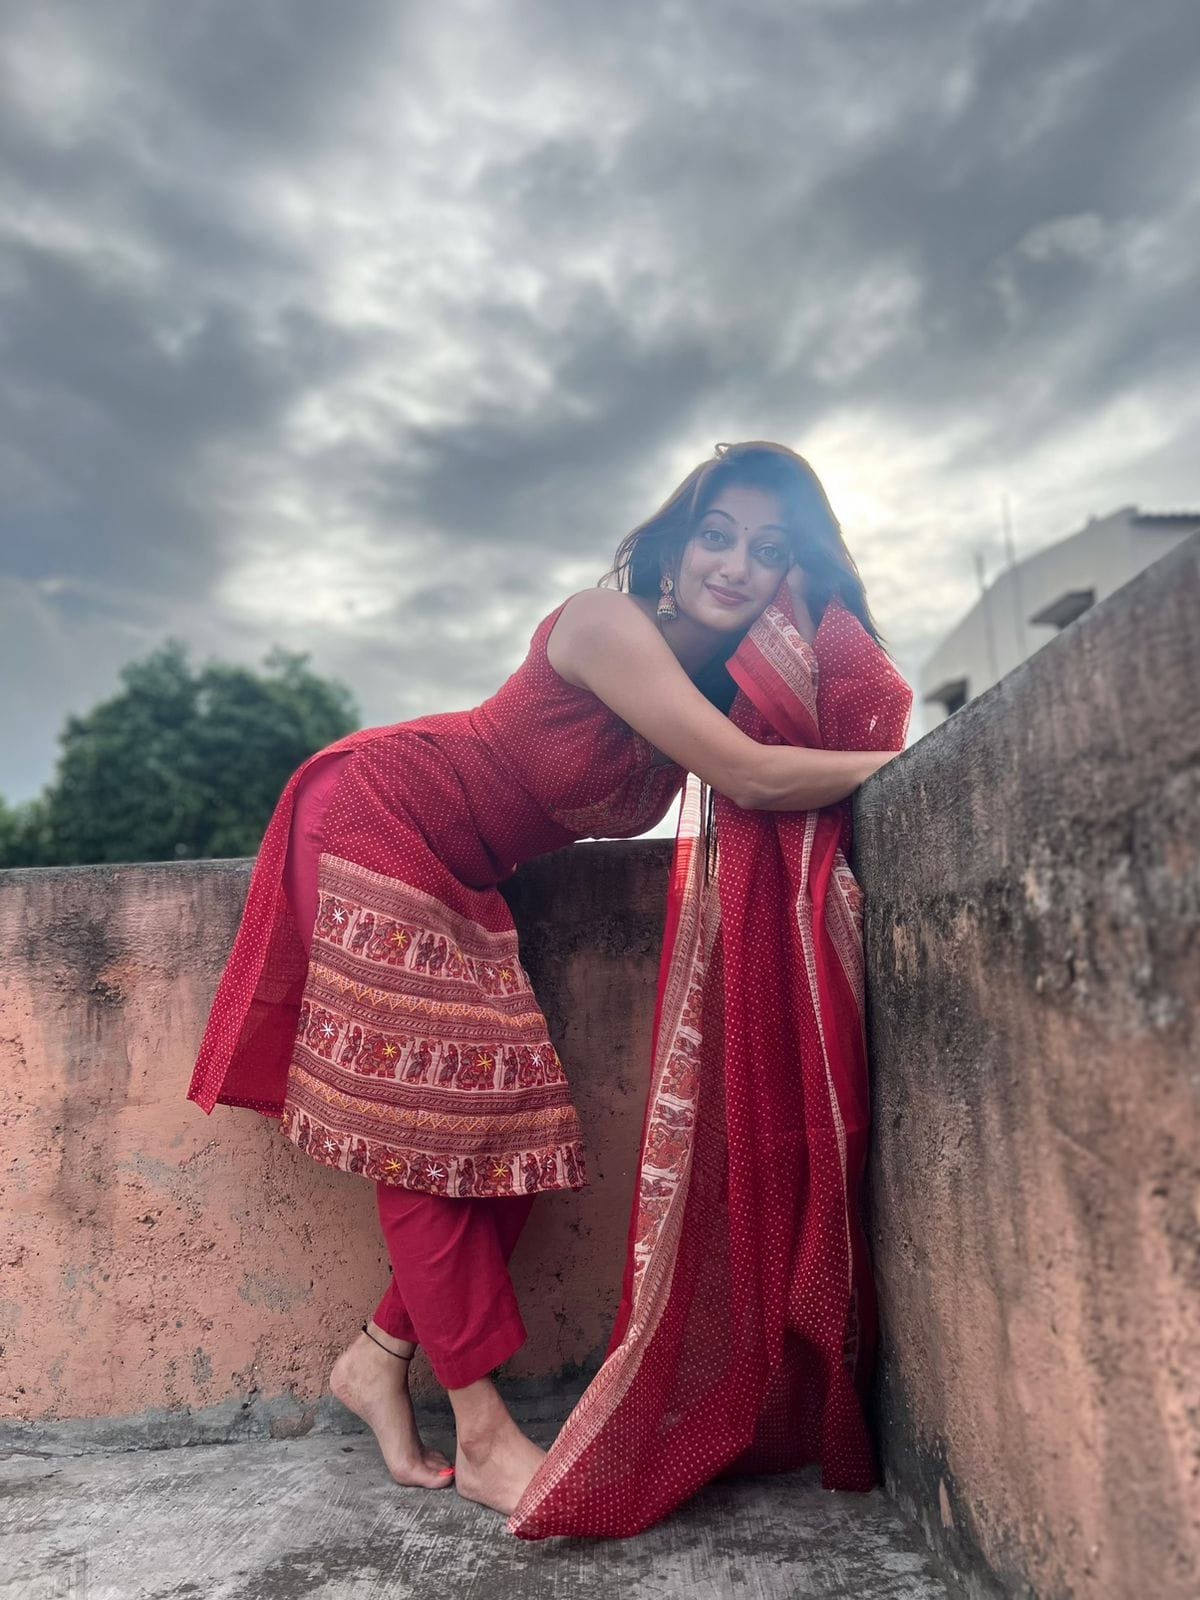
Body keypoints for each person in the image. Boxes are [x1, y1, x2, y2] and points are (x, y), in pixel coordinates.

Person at [186, 440, 901, 1519]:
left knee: (511, 1149)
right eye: (716, 536)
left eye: (769, 549)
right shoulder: (607, 624)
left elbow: (797, 736)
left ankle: (377, 1356)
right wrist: (913, 763)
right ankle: (481, 1434)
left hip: (467, 872)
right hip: (381, 809)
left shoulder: (719, 692)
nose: (737, 564)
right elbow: (753, 779)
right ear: (673, 550)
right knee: (426, 1127)